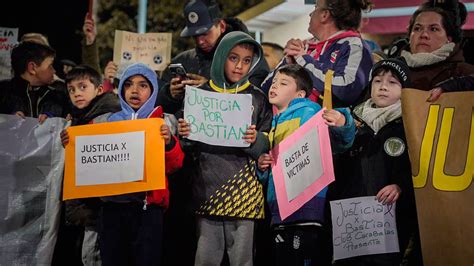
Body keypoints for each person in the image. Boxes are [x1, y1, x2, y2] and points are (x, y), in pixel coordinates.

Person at [177, 31, 272, 266]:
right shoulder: (200, 96)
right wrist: (185, 134)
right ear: (221, 58)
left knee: (242, 260)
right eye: (233, 58)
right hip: (207, 190)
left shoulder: (258, 98)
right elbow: (186, 147)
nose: (240, 66)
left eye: (247, 60)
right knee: (206, 259)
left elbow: (269, 142)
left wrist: (256, 140)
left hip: (244, 195)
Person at [84, 63, 184, 266]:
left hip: (148, 209)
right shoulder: (105, 122)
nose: (134, 90)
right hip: (112, 208)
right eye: (128, 85)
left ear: (154, 90)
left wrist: (169, 143)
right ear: (121, 90)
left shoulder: (165, 122)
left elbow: (175, 165)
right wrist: (70, 141)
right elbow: (85, 154)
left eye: (143, 85)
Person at [256, 64, 355, 266]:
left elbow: (340, 141)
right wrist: (263, 167)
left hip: (305, 208)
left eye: (283, 83)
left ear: (300, 94)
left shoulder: (309, 112)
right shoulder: (273, 123)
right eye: (274, 82)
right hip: (280, 211)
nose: (274, 86)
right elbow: (274, 171)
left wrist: (342, 121)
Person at [329, 58, 418, 265]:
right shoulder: (351, 120)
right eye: (377, 81)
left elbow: (419, 166)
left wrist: (401, 185)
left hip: (390, 219)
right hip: (350, 218)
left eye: (392, 82)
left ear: (405, 89)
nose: (383, 87)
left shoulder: (411, 123)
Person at [157, 0, 270, 115]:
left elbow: (256, 102)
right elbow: (157, 107)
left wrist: (211, 89)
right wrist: (170, 95)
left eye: (205, 33)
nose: (200, 41)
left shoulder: (251, 58)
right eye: (195, 36)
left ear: (221, 26)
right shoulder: (182, 60)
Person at [56, 65, 120, 266]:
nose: (77, 93)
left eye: (82, 87)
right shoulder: (78, 118)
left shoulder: (108, 118)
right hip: (90, 207)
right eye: (72, 90)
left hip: (101, 207)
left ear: (100, 90)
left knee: (93, 256)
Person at [261, 0, 374, 108]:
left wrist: (304, 60)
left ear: (324, 15)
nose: (311, 14)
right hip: (288, 124)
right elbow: (264, 92)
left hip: (328, 126)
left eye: (315, 7)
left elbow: (347, 89)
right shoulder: (306, 47)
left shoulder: (353, 45)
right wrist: (288, 62)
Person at [398, 0, 474, 98]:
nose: (424, 35)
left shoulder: (464, 73)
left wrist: (454, 86)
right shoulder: (390, 71)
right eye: (417, 28)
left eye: (433, 29)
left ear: (449, 38)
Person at [0, 41, 69, 121]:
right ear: (32, 68)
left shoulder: (58, 95)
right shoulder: (3, 93)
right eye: (50, 66)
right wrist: (7, 120)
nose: (53, 71)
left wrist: (51, 119)